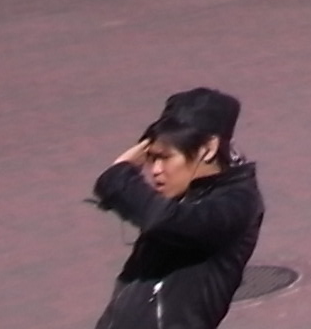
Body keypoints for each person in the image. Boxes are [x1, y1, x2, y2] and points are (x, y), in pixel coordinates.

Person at [92, 87, 264, 329]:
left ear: (208, 149)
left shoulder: (236, 203)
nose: (155, 170)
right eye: (151, 158)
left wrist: (119, 174)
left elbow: (164, 220)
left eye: (165, 157)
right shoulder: (182, 195)